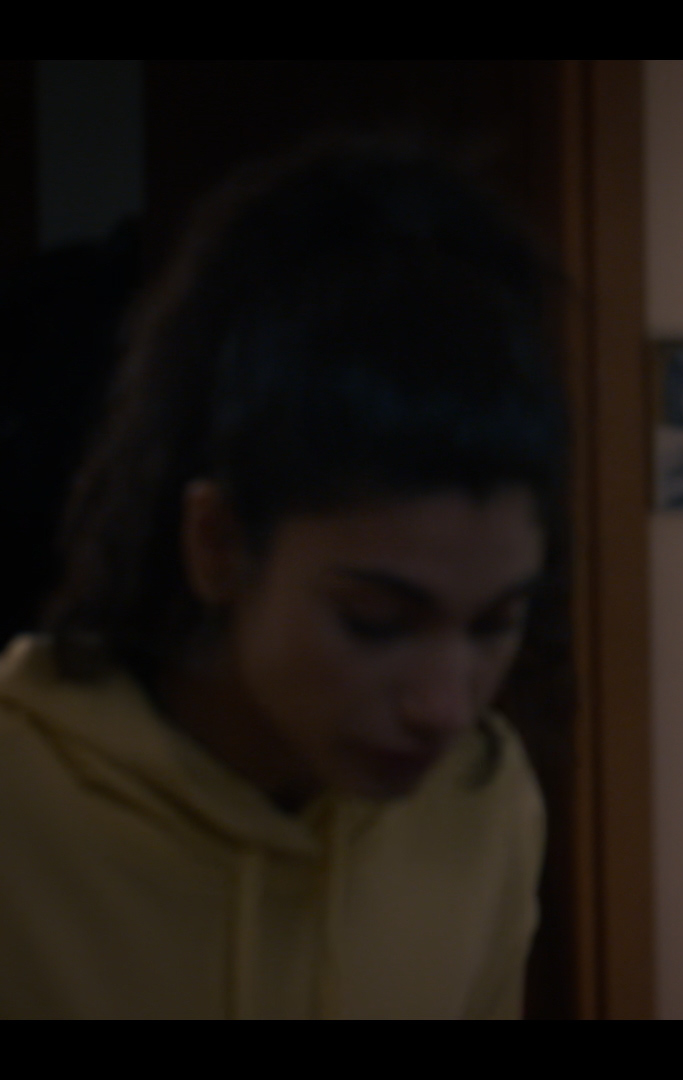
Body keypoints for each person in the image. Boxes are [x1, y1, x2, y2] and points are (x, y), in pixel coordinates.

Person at [0, 145, 564, 1018]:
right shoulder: (23, 796)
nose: (446, 707)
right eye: (376, 620)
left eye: (494, 623)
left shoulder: (480, 806)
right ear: (219, 545)